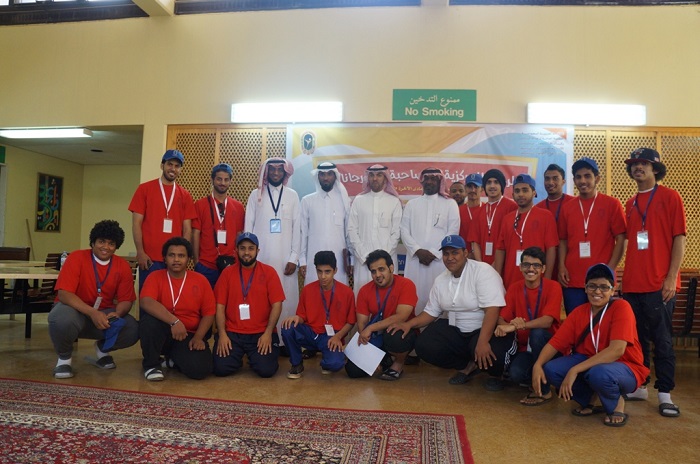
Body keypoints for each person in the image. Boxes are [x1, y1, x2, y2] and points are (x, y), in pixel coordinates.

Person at [389, 235, 516, 391]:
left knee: (491, 351)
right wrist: (408, 324)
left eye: (455, 253)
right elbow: (431, 312)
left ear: (465, 253)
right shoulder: (441, 280)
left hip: (485, 329)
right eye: (446, 254)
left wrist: (482, 342)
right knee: (424, 345)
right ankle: (467, 366)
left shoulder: (483, 271)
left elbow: (493, 310)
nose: (450, 258)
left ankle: (496, 375)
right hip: (457, 329)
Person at [532, 264, 649, 427]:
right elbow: (555, 343)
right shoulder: (579, 312)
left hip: (624, 365)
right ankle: (591, 398)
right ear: (585, 289)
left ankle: (616, 403)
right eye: (592, 286)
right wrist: (538, 364)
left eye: (604, 287)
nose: (597, 291)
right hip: (590, 361)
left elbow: (617, 350)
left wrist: (575, 369)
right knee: (551, 369)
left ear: (613, 290)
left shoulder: (622, 307)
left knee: (600, 373)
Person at [622, 147, 686, 417]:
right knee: (636, 340)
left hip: (660, 284)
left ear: (655, 169)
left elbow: (679, 239)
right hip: (633, 285)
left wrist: (671, 277)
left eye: (644, 164)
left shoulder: (671, 197)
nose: (638, 168)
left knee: (662, 341)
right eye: (634, 164)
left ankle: (665, 393)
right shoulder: (630, 203)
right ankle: (641, 385)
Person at [48, 220, 138, 379]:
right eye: (101, 241)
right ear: (93, 242)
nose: (105, 247)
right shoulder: (76, 257)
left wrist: (118, 312)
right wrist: (92, 313)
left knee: (133, 328)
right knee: (60, 318)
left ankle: (103, 349)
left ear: (116, 246)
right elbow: (64, 294)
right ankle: (64, 359)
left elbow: (126, 299)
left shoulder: (122, 266)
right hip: (75, 311)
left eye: (111, 243)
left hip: (104, 315)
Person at [139, 237, 216, 381]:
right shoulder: (155, 276)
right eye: (171, 255)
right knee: (148, 322)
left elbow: (209, 313)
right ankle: (151, 365)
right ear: (165, 259)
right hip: (162, 333)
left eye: (181, 256)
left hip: (188, 335)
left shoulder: (200, 280)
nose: (176, 259)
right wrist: (174, 322)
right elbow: (146, 301)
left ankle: (171, 360)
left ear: (189, 259)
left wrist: (199, 337)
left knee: (201, 370)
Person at [558, 157, 626, 314]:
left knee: (600, 327)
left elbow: (621, 239)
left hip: (601, 281)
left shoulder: (612, 204)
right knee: (576, 325)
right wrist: (561, 265)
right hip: (572, 279)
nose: (583, 180)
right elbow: (562, 240)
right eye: (578, 177)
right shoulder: (567, 208)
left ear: (597, 178)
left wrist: (610, 269)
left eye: (587, 176)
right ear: (573, 180)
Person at [494, 247, 562, 405]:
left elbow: (547, 321)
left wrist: (519, 326)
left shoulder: (553, 287)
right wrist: (506, 325)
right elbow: (501, 319)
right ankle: (536, 377)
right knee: (516, 374)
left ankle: (544, 392)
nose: (531, 269)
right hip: (526, 349)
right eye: (526, 265)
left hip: (550, 348)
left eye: (536, 265)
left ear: (543, 268)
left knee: (537, 333)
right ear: (520, 267)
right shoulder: (514, 288)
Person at [245, 158, 300, 349]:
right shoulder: (255, 195)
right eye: (272, 170)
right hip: (261, 259)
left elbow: (297, 229)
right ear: (266, 173)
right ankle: (261, 338)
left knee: (287, 298)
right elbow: (248, 229)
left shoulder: (292, 196)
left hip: (286, 260)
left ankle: (286, 341)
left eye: (280, 170)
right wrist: (250, 258)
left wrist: (294, 258)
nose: (276, 173)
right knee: (260, 298)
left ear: (285, 173)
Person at [213, 232, 284, 378]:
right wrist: (222, 334)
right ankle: (237, 358)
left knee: (266, 370)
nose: (246, 252)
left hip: (260, 333)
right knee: (220, 369)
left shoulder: (269, 272)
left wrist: (268, 333)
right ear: (236, 251)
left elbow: (277, 305)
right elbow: (219, 307)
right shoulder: (227, 273)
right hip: (233, 333)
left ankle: (254, 358)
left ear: (257, 251)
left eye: (251, 248)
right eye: (242, 248)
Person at [281, 251, 356, 379]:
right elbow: (302, 316)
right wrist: (296, 318)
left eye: (327, 272)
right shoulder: (307, 290)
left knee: (336, 364)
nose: (323, 276)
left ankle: (327, 360)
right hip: (311, 334)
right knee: (287, 327)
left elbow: (351, 322)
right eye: (319, 271)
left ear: (335, 271)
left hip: (332, 337)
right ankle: (297, 364)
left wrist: (338, 336)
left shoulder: (347, 292)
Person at [129, 149, 197, 290]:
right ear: (162, 166)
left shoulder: (185, 195)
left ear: (180, 169)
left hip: (174, 260)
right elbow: (136, 224)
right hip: (149, 259)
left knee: (171, 300)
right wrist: (140, 252)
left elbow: (187, 229)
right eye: (169, 164)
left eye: (177, 166)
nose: (173, 168)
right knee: (148, 300)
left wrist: (183, 257)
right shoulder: (144, 189)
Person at [346, 249, 418, 380]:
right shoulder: (364, 290)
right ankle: (385, 360)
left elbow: (401, 317)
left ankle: (398, 363)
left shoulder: (406, 284)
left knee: (395, 336)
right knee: (353, 371)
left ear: (391, 268)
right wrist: (369, 354)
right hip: (377, 335)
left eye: (381, 269)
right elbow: (362, 324)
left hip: (400, 331)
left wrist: (371, 328)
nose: (377, 275)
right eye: (373, 271)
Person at [400, 167, 460, 314]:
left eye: (433, 179)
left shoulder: (450, 204)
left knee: (439, 297)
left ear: (440, 181)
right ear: (422, 181)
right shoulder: (412, 204)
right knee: (414, 296)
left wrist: (433, 253)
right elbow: (404, 231)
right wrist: (418, 251)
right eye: (426, 179)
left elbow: (452, 231)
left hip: (439, 261)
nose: (429, 182)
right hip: (416, 261)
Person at [494, 174, 558, 290]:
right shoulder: (507, 219)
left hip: (537, 279)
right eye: (517, 191)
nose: (521, 194)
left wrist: (547, 278)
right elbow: (500, 249)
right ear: (513, 195)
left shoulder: (545, 216)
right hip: (511, 279)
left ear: (534, 193)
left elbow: (551, 248)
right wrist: (497, 279)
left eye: (525, 190)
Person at [347, 164, 403, 293]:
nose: (375, 178)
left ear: (385, 178)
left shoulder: (394, 201)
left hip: (387, 260)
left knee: (387, 297)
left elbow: (396, 233)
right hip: (363, 260)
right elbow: (352, 230)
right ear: (367, 178)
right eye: (371, 175)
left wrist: (382, 260)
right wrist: (364, 256)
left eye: (379, 175)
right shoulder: (358, 200)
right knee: (362, 295)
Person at [192, 163, 245, 288]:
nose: (222, 183)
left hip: (230, 265)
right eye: (219, 179)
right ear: (212, 179)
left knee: (227, 304)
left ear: (230, 181)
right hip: (205, 265)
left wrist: (238, 260)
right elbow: (195, 234)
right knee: (205, 304)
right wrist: (196, 262)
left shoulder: (238, 207)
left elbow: (239, 235)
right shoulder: (200, 205)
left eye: (226, 179)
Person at [299, 162, 352, 286]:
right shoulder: (307, 201)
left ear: (335, 176)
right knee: (314, 295)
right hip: (313, 259)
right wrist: (302, 261)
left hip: (339, 259)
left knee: (339, 295)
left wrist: (351, 260)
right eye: (322, 174)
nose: (326, 177)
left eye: (329, 174)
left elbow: (349, 234)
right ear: (317, 176)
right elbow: (303, 233)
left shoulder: (344, 201)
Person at [469, 168, 517, 266]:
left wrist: (497, 264)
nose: (492, 186)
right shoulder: (479, 211)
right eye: (488, 182)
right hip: (483, 267)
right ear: (484, 187)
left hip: (505, 264)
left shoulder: (512, 207)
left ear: (502, 186)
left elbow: (512, 240)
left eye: (496, 182)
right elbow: (475, 242)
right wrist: (481, 265)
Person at [535, 163, 573, 281]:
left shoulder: (573, 204)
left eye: (555, 178)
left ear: (563, 181)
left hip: (568, 263)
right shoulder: (538, 209)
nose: (550, 182)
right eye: (547, 179)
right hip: (545, 264)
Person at [458, 173, 483, 257]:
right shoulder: (458, 210)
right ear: (465, 188)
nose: (473, 190)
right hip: (463, 257)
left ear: (482, 189)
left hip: (483, 257)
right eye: (470, 187)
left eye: (476, 187)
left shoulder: (487, 210)